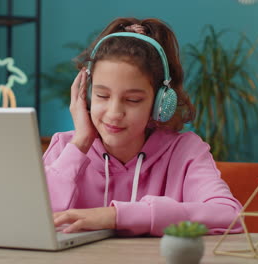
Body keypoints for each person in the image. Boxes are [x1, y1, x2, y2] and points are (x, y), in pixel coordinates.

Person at [42, 17, 243, 236]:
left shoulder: (185, 152)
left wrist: (115, 216)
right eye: (102, 95)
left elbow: (229, 216)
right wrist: (79, 144)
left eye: (133, 100)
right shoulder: (65, 147)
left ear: (159, 104)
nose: (114, 113)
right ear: (86, 95)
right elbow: (35, 218)